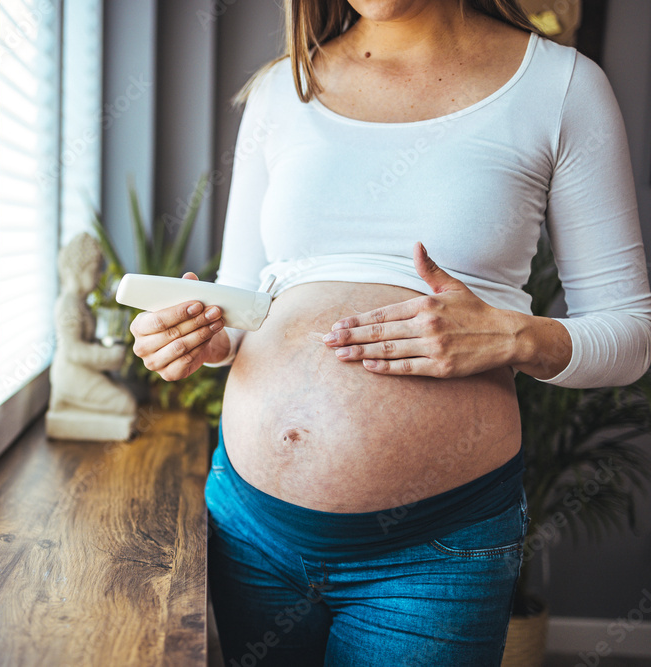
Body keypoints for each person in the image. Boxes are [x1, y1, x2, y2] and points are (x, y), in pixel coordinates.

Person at [128, 0, 651, 664]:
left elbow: (631, 332)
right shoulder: (282, 89)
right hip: (253, 531)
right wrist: (199, 336)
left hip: (432, 554)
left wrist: (512, 337)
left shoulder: (561, 87)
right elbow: (242, 304)